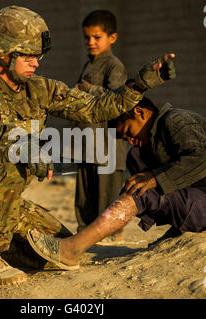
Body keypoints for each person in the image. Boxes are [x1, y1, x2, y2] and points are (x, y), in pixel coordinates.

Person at [0, 6, 176, 286]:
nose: (36, 62)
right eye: (29, 55)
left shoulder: (38, 88)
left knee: (59, 249)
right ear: (3, 51)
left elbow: (94, 108)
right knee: (12, 157)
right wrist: (21, 148)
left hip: (0, 199)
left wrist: (140, 84)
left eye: (39, 55)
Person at [26, 97, 206, 271]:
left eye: (127, 131)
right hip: (203, 197)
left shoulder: (176, 120)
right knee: (136, 157)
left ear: (139, 112)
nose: (129, 139)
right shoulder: (153, 136)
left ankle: (71, 251)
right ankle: (180, 226)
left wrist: (153, 179)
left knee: (144, 190)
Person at [72, 10, 129, 245]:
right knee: (85, 195)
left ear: (112, 38)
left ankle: (112, 235)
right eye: (87, 37)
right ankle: (85, 235)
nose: (91, 42)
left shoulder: (114, 66)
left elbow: (119, 100)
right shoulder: (89, 64)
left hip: (108, 144)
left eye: (97, 37)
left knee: (108, 195)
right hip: (88, 142)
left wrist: (88, 89)